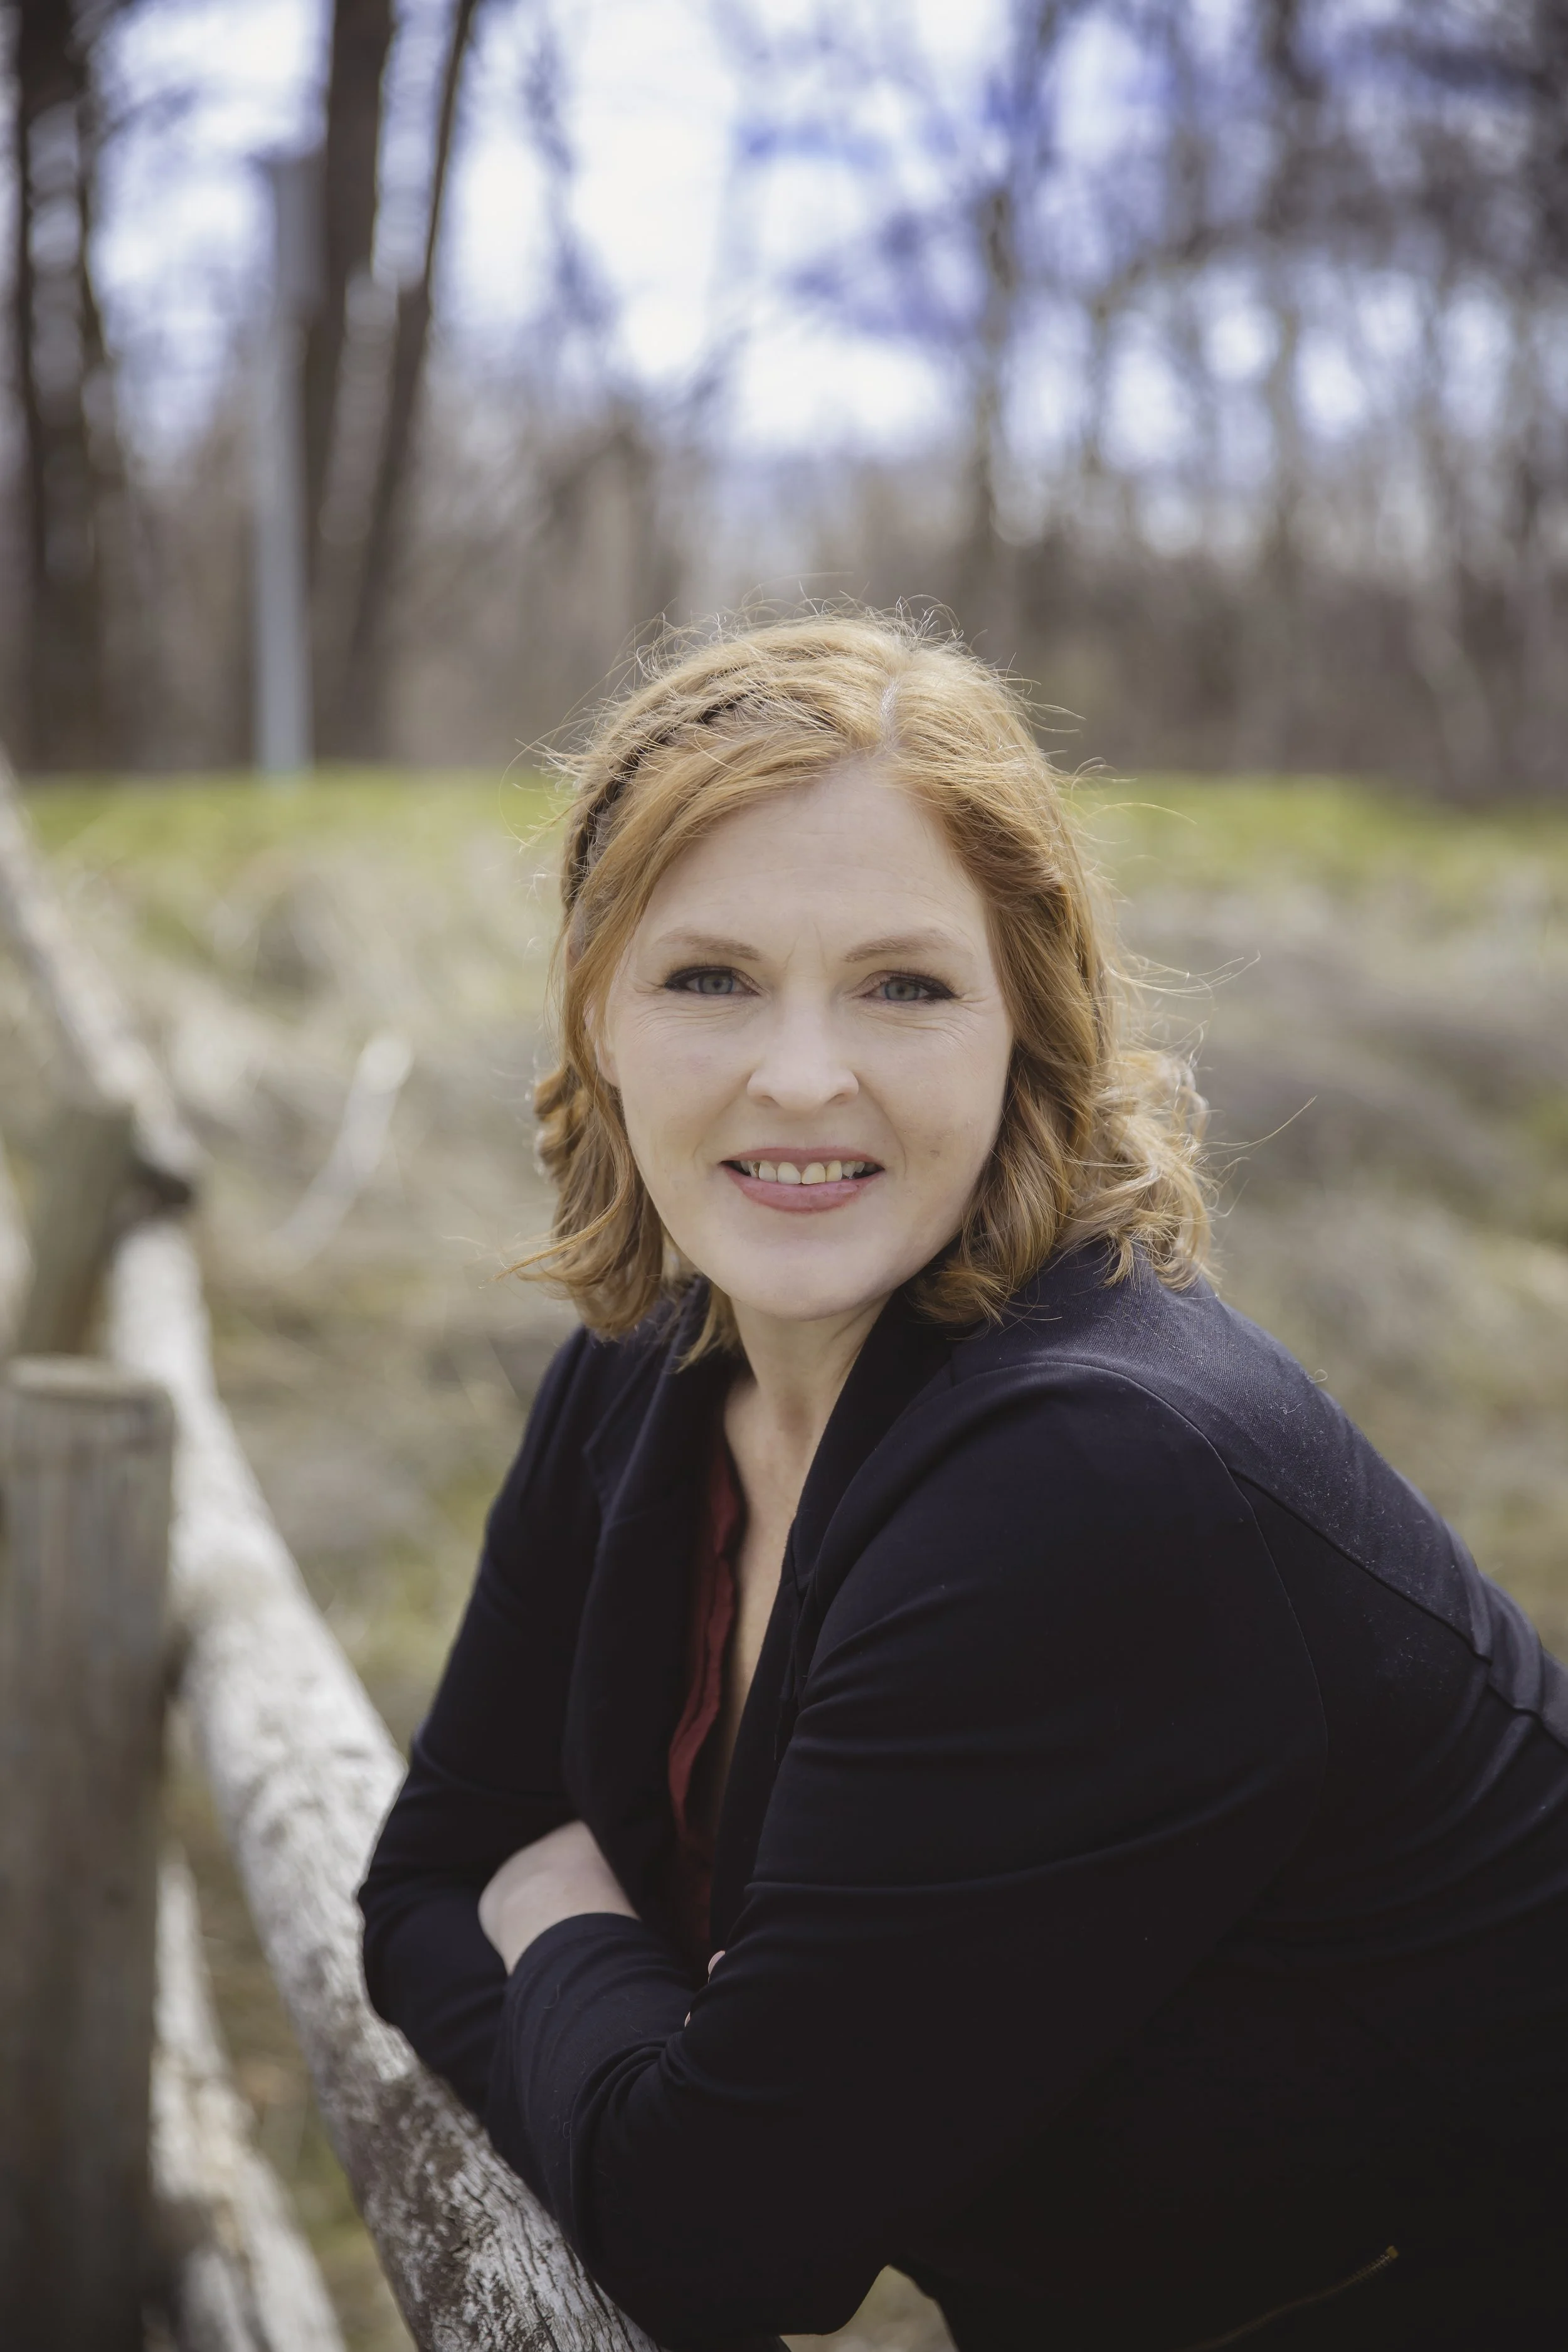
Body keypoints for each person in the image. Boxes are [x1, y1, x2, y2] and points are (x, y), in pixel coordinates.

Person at [359, 614, 1568, 2352]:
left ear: (1025, 1027)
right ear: (597, 1015)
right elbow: (413, 1889)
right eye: (707, 975)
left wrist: (556, 1910)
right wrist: (647, 2070)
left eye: (902, 984)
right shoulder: (644, 1363)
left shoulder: (1092, 1480)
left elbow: (713, 2234)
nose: (800, 1073)